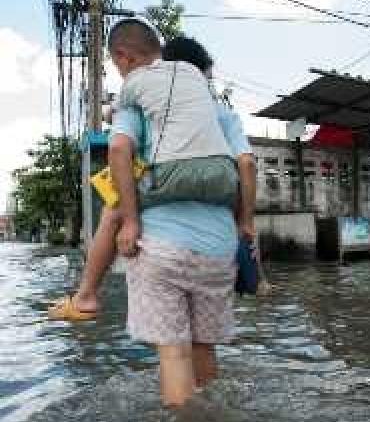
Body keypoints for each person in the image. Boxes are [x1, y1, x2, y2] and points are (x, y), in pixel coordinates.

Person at [48, 32, 259, 321]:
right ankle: (261, 279)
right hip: (216, 225)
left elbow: (120, 144)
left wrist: (131, 220)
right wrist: (245, 219)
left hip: (160, 206)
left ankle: (86, 295)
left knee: (112, 214)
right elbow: (247, 164)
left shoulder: (143, 103)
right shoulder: (222, 114)